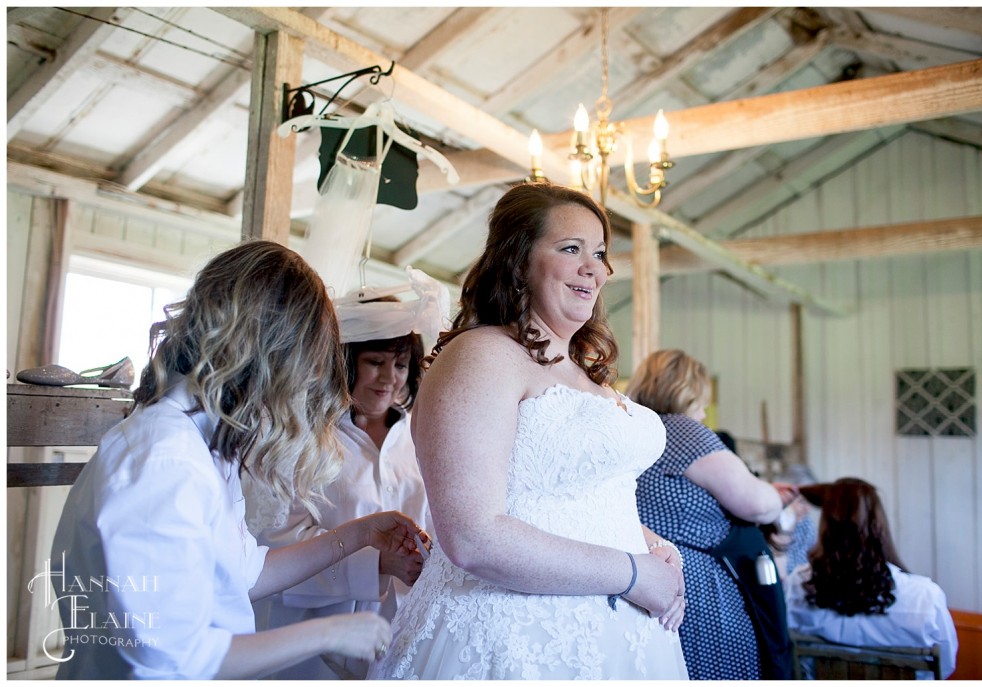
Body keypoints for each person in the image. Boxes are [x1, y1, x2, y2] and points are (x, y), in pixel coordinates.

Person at [47, 240, 428, 679]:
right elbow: (172, 653)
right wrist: (329, 634)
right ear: (267, 355)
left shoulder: (205, 443)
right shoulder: (165, 459)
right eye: (303, 363)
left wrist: (358, 534)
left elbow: (246, 573)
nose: (305, 383)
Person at [368, 182, 688, 680]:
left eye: (600, 253)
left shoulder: (584, 372)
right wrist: (631, 573)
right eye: (570, 249)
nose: (594, 267)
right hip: (513, 638)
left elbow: (566, 498)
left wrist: (647, 544)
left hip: (622, 640)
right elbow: (473, 535)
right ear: (518, 260)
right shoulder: (482, 356)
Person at [252, 300, 435, 679]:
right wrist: (376, 565)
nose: (389, 379)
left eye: (400, 365)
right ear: (346, 361)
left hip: (408, 628)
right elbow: (278, 541)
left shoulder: (420, 434)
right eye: (375, 362)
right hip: (315, 636)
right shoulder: (304, 435)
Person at [627, 348, 799, 679]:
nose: (704, 415)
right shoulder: (683, 432)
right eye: (701, 403)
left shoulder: (634, 426)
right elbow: (756, 503)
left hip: (643, 575)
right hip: (695, 586)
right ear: (685, 392)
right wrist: (776, 499)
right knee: (717, 668)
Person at [784, 478, 958, 679]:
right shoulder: (924, 597)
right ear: (879, 525)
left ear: (826, 526)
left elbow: (786, 651)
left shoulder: (798, 586)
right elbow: (945, 666)